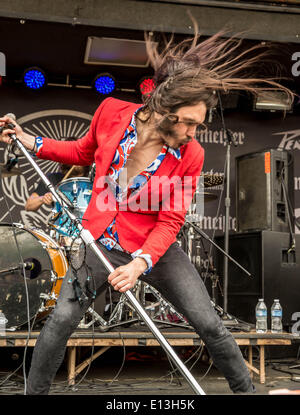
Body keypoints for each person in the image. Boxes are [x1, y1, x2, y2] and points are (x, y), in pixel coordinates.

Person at [0, 27, 293, 395]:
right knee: (60, 321)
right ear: (160, 109)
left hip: (155, 249)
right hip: (101, 241)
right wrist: (30, 140)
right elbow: (80, 152)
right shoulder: (111, 113)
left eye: (197, 125)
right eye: (186, 121)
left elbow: (171, 220)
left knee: (210, 324)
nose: (191, 131)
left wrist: (139, 264)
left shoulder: (192, 154)